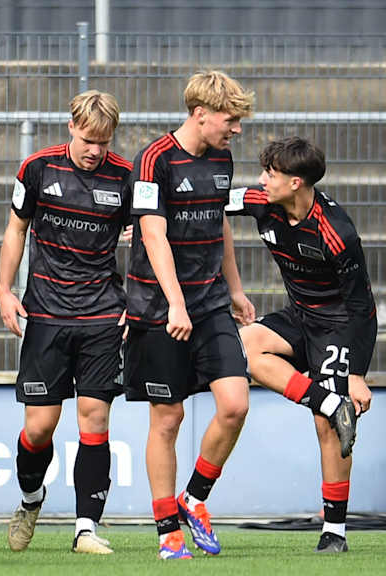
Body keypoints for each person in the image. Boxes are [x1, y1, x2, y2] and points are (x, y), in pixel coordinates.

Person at [123, 71, 255, 559]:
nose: (236, 129)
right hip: (160, 309)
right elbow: (152, 236)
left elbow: (220, 222)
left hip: (212, 301)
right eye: (230, 119)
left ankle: (194, 499)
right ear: (200, 114)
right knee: (168, 417)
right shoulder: (153, 159)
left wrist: (236, 289)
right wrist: (175, 303)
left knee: (235, 404)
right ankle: (167, 532)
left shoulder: (222, 157)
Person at [0, 91, 132, 555]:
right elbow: (16, 229)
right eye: (90, 139)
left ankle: (86, 529)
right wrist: (3, 290)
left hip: (101, 315)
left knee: (94, 420)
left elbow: (149, 238)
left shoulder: (126, 178)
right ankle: (31, 500)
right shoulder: (38, 169)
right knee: (39, 429)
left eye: (105, 142)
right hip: (46, 315)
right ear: (72, 127)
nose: (96, 150)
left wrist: (134, 304)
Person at [228, 136, 373, 553]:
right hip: (299, 317)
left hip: (337, 327)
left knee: (327, 431)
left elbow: (362, 307)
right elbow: (208, 201)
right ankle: (329, 401)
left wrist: (357, 374)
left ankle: (335, 533)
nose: (261, 181)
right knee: (245, 347)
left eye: (269, 174)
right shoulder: (260, 201)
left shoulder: (337, 232)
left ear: (295, 183)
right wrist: (151, 221)